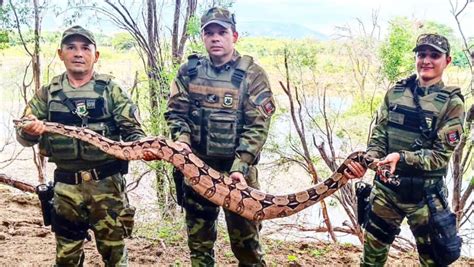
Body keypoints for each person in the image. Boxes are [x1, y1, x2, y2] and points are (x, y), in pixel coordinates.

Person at [148, 7, 275, 266]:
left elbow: (258, 125)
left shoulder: (252, 74)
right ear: (203, 37)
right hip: (197, 170)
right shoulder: (189, 72)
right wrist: (182, 142)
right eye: (210, 33)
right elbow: (175, 113)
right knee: (200, 246)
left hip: (237, 174)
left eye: (222, 32)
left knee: (247, 247)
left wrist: (240, 167)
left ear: (234, 36)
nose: (216, 38)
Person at [16, 25, 146, 266]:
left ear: (95, 56)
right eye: (71, 47)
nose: (78, 53)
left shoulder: (111, 90)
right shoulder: (48, 93)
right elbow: (24, 137)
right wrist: (28, 130)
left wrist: (138, 147)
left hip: (107, 186)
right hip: (66, 188)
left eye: (85, 48)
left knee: (115, 255)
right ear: (60, 53)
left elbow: (135, 133)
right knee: (66, 257)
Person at [346, 33, 465, 266]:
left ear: (447, 61)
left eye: (434, 55)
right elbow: (378, 137)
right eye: (422, 55)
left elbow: (440, 156)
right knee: (371, 259)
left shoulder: (452, 103)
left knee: (435, 261)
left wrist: (402, 157)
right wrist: (369, 160)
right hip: (386, 192)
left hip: (425, 196)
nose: (426, 61)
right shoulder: (396, 93)